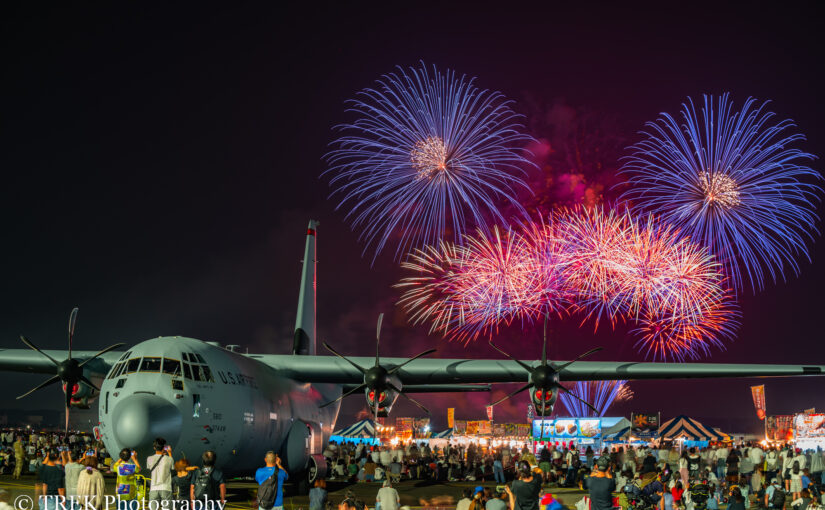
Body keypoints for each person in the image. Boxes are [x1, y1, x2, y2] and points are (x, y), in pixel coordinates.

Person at [147, 438, 175, 502]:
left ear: (154, 447)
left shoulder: (149, 459)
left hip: (153, 488)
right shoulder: (169, 459)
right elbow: (172, 468)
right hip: (166, 488)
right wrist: (170, 453)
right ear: (164, 447)